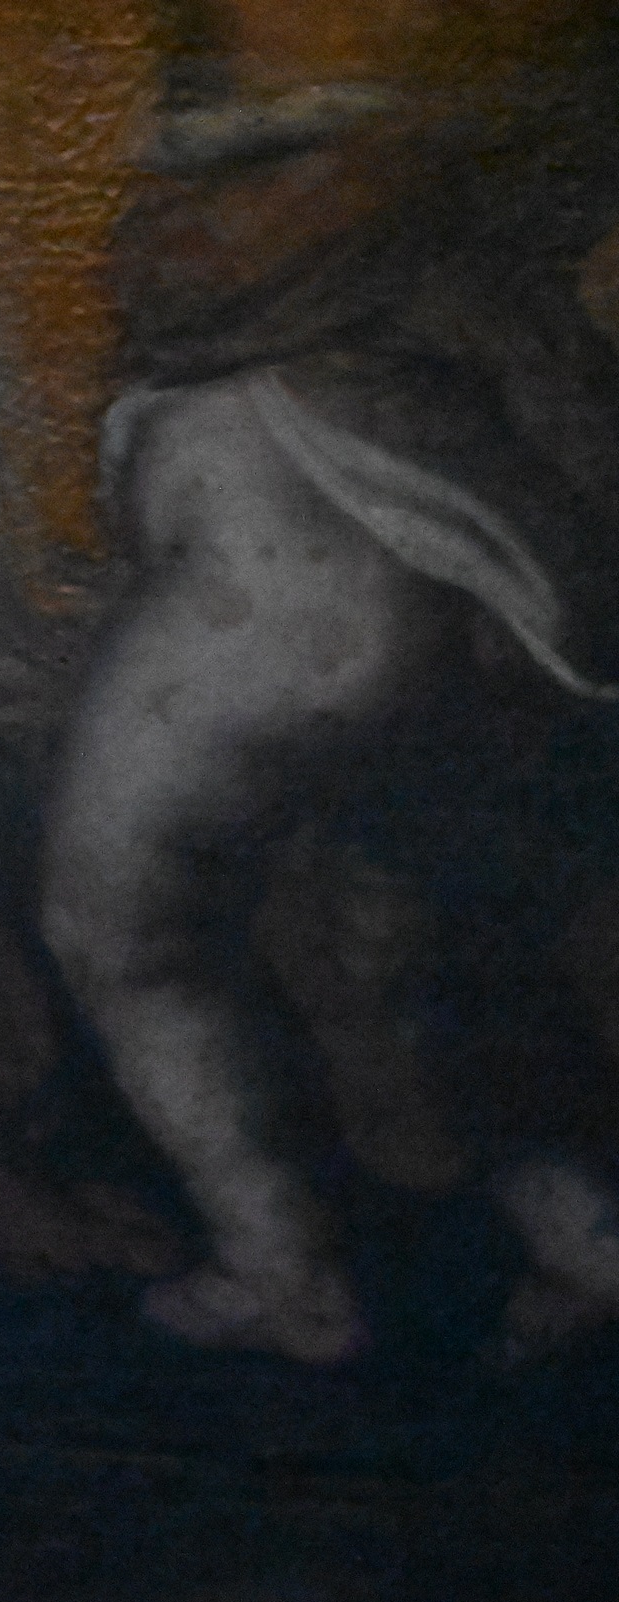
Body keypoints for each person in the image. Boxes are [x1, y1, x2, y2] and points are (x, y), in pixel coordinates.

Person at [37, 0, 619, 1362]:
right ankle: (589, 1240)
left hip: (298, 568)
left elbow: (195, 270)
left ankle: (281, 1269)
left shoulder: (365, 129)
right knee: (435, 943)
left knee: (119, 929)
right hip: (483, 585)